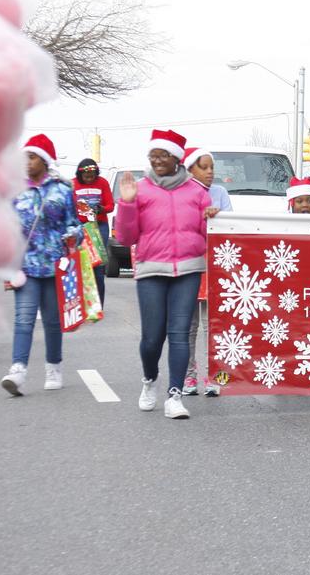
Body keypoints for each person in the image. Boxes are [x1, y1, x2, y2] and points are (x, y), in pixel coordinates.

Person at [115, 130, 213, 420]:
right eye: (153, 155)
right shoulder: (141, 190)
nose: (157, 160)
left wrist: (212, 218)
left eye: (163, 155)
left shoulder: (197, 192)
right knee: (152, 338)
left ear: (177, 159)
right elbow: (125, 236)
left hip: (188, 269)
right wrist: (128, 204)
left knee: (179, 334)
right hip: (150, 269)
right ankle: (149, 381)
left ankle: (175, 395)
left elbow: (208, 236)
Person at [1, 134, 84, 396]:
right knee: (24, 319)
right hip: (26, 267)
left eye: (32, 157)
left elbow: (76, 225)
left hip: (55, 266)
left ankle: (54, 367)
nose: (27, 162)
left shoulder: (62, 189)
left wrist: (73, 235)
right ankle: (18, 370)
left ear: (45, 161)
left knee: (51, 321)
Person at [182, 147, 230, 397]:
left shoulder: (220, 193)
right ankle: (189, 377)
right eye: (204, 167)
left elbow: (232, 226)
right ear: (190, 169)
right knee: (189, 327)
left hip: (216, 266)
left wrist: (217, 218)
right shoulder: (180, 194)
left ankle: (217, 378)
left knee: (214, 326)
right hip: (190, 265)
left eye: (212, 167)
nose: (210, 172)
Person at [72, 158, 114, 305]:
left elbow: (110, 205)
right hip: (79, 225)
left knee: (98, 264)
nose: (90, 179)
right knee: (80, 263)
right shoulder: (72, 184)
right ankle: (80, 302)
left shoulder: (102, 182)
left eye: (93, 176)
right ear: (80, 175)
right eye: (86, 177)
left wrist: (101, 208)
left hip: (98, 225)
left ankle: (97, 304)